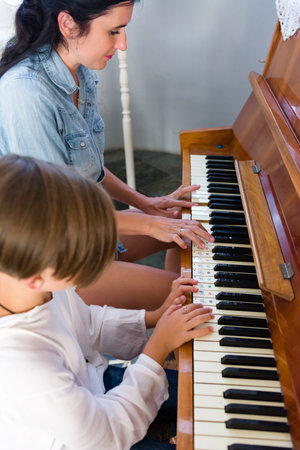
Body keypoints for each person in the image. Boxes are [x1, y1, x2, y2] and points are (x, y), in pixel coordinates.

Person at [0, 0, 214, 310]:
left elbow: (90, 167)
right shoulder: (26, 94)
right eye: (113, 31)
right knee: (197, 294)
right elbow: (58, 217)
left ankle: (174, 344)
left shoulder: (79, 70)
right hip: (54, 258)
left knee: (185, 227)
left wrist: (147, 204)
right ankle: (173, 323)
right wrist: (150, 224)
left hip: (88, 230)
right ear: (68, 24)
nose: (123, 44)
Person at [0, 154, 214, 449]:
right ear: (36, 276)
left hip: (93, 383)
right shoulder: (21, 364)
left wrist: (154, 317)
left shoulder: (31, 286)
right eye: (85, 263)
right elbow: (105, 435)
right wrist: (158, 347)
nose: (98, 267)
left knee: (207, 393)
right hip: (87, 439)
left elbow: (86, 322)